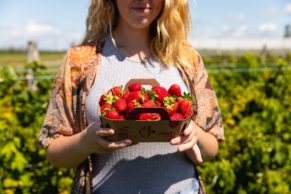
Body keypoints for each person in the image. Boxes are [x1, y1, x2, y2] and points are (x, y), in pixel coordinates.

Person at [39, 0, 224, 193]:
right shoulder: (80, 62)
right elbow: (54, 152)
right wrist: (86, 142)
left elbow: (211, 146)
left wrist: (194, 135)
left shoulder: (187, 59)